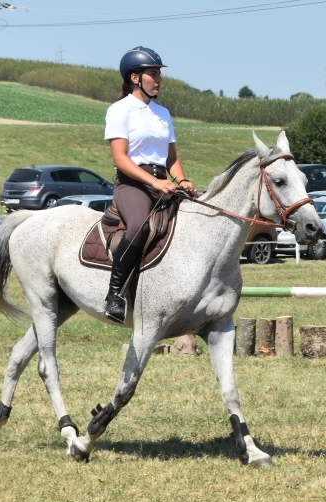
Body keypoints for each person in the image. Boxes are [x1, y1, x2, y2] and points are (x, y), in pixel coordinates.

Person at [102, 46, 196, 323]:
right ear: (135, 78)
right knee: (140, 224)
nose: (159, 79)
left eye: (159, 74)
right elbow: (120, 158)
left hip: (162, 181)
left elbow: (171, 159)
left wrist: (183, 180)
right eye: (153, 74)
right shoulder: (120, 110)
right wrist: (156, 181)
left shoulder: (162, 113)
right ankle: (114, 295)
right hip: (132, 183)